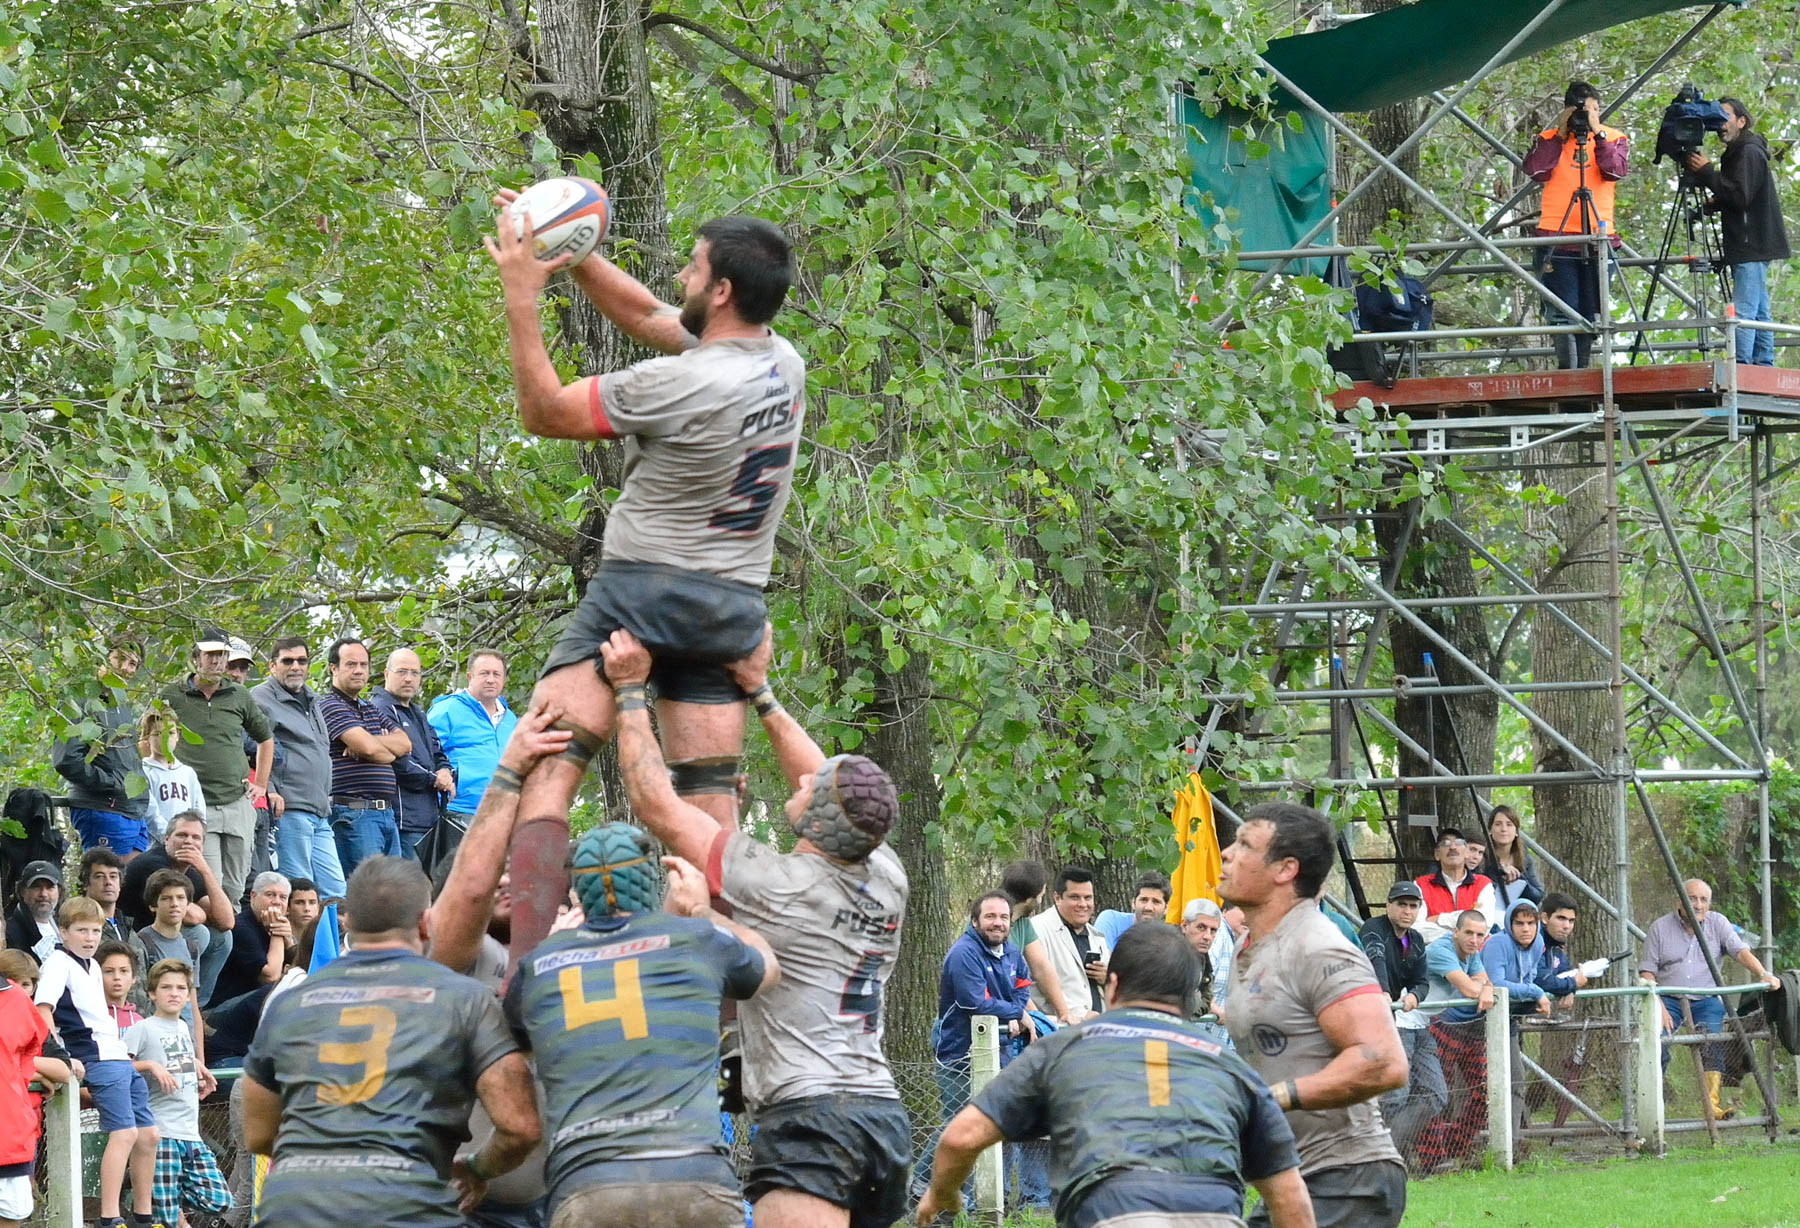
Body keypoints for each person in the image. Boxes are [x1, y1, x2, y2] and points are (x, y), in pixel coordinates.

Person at [485, 202, 806, 955]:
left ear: (721, 290)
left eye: (693, 267)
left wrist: (522, 293)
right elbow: (655, 314)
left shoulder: (678, 386)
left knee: (547, 761)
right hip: (730, 608)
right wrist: (576, 249)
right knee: (706, 808)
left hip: (642, 592)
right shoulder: (780, 359)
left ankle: (532, 974)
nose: (681, 276)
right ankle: (724, 1002)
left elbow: (546, 412)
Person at [600, 627, 911, 1228]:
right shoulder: (885, 872)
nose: (803, 779)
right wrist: (760, 693)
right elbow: (834, 786)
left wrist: (631, 691)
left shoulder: (777, 885)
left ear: (819, 822)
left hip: (812, 1122)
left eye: (811, 790)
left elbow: (654, 803)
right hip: (881, 1116)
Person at [916, 922, 1315, 1228]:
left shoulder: (1064, 1049)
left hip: (1109, 1210)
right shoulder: (1232, 1068)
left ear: (1113, 985)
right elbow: (1291, 1197)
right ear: (1192, 997)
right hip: (1213, 1215)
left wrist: (942, 1196)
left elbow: (961, 1137)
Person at [242, 857, 542, 1227]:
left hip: (294, 1206)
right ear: (425, 922)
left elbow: (257, 1133)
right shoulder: (461, 997)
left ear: (348, 922)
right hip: (405, 1203)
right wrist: (477, 1169)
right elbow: (520, 1127)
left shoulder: (289, 1002)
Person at [504, 824, 777, 1228]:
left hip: (587, 1184)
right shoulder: (698, 940)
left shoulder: (539, 967)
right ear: (652, 879)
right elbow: (767, 968)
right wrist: (700, 910)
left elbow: (519, 1048)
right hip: (695, 1175)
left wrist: (551, 945)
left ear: (578, 890)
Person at [1218, 801, 1408, 1228]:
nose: (1227, 853)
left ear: (1285, 870)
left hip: (1347, 1179)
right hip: (1291, 1177)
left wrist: (1273, 1098)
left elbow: (1384, 1062)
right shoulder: (1248, 947)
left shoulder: (1320, 947)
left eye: (1245, 844)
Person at [36, 897, 159, 1228]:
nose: (90, 938)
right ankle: (109, 1218)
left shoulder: (91, 965)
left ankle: (143, 1216)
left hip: (118, 1054)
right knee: (123, 1134)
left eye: (95, 931)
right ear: (63, 932)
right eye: (81, 931)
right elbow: (43, 1010)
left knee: (149, 1134)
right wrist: (61, 1055)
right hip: (96, 1058)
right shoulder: (58, 963)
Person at [914, 892, 1035, 1204]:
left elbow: (1023, 985)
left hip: (999, 1051)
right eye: (991, 917)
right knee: (959, 1123)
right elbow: (973, 1002)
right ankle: (920, 1188)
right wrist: (1015, 1014)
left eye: (1004, 917)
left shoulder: (1009, 951)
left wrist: (1015, 1011)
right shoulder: (964, 953)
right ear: (975, 921)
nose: (998, 923)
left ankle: (956, 1202)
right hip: (960, 1053)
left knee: (983, 1125)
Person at [1640, 878, 1780, 1120]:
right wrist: (1658, 1005)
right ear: (1679, 901)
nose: (1697, 904)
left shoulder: (1718, 923)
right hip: (1668, 999)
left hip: (1705, 999)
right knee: (1657, 1044)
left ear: (1709, 904)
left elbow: (1740, 951)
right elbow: (1647, 973)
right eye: (1692, 898)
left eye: (1703, 899)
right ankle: (1652, 1108)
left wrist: (1763, 973)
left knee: (1712, 1043)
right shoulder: (1660, 928)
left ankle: (1713, 1107)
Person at [162, 628, 276, 906]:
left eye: (222, 655)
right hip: (198, 806)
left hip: (238, 802)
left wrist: (261, 784)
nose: (217, 662)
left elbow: (266, 738)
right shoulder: (173, 694)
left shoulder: (239, 695)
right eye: (210, 655)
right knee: (209, 885)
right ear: (196, 658)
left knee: (237, 887)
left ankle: (232, 944)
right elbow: (147, 737)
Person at [1524, 80, 1629, 369]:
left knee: (1591, 312)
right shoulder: (1549, 138)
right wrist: (1559, 134)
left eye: (1594, 110)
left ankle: (1583, 372)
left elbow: (1615, 171)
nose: (1587, 116)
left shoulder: (1615, 137)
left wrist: (1599, 134)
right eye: (1582, 111)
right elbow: (1536, 171)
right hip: (1555, 239)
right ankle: (1568, 373)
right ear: (1567, 111)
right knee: (1561, 313)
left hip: (1598, 239)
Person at [125, 960, 230, 1228]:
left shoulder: (183, 1028)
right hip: (162, 1131)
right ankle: (150, 1191)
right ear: (152, 993)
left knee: (219, 1199)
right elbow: (118, 1067)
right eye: (166, 987)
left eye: (181, 988)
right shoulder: (143, 1028)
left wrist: (197, 1066)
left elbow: (172, 1059)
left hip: (189, 1133)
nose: (174, 993)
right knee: (167, 1218)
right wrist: (149, 1065)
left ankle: (158, 1189)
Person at [1686, 97, 1790, 366]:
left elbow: (1741, 196)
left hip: (1750, 242)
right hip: (1753, 241)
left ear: (1741, 121)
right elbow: (1743, 192)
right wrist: (1718, 200)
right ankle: (1763, 366)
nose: (1720, 123)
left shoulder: (1747, 152)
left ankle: (1741, 367)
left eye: (1726, 116)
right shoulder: (1742, 151)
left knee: (1743, 311)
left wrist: (1708, 173)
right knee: (1759, 312)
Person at [253, 635, 349, 899]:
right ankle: (297, 942)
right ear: (272, 666)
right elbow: (251, 749)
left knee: (336, 892)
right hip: (290, 809)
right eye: (288, 661)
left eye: (302, 661)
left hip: (319, 811)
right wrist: (269, 788)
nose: (295, 666)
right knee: (299, 891)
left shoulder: (314, 700)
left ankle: (331, 942)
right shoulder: (260, 699)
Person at [1358, 881, 1444, 1156]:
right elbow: (1376, 958)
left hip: (1401, 1018)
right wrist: (1383, 991)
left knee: (1436, 1095)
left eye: (1413, 905)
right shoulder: (1374, 928)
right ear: (1388, 905)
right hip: (1371, 1018)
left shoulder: (1414, 939)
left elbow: (1421, 980)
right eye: (1402, 904)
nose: (1407, 911)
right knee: (1394, 1094)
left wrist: (1415, 996)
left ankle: (1386, 1152)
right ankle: (1382, 1156)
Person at [120, 812, 236, 1004]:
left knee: (222, 938)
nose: (188, 842)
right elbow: (191, 917)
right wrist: (200, 912)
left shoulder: (192, 871)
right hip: (136, 940)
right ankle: (174, 1003)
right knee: (200, 933)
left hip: (164, 938)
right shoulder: (153, 863)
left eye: (195, 837)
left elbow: (227, 921)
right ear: (167, 839)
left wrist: (205, 869)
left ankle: (197, 1007)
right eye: (182, 835)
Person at [318, 637, 411, 875]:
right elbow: (371, 749)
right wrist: (379, 748)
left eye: (363, 664)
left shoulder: (370, 708)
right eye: (351, 664)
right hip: (355, 814)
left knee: (393, 894)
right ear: (333, 668)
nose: (359, 670)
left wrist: (372, 742)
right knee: (370, 893)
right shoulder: (329, 705)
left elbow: (405, 744)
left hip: (386, 814)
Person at [55, 642, 152, 856]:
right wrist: (112, 783)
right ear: (104, 657)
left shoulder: (120, 702)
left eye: (133, 664)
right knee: (105, 881)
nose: (127, 668)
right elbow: (67, 759)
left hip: (132, 810)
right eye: (121, 659)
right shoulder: (80, 699)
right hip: (103, 808)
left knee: (134, 884)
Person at [1418, 910, 1494, 1171]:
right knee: (1437, 1094)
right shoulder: (1442, 950)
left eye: (1480, 935)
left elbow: (1484, 982)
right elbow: (1471, 989)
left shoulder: (1471, 954)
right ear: (1456, 933)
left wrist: (1486, 988)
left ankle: (1453, 1147)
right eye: (1469, 933)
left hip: (1462, 1028)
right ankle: (1431, 1159)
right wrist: (1485, 989)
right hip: (1430, 1026)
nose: (1474, 940)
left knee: (1486, 1092)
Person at [371, 648, 456, 855]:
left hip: (430, 818)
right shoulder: (378, 710)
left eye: (415, 673)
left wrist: (445, 771)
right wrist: (434, 779)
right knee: (412, 886)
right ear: (386, 674)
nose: (409, 678)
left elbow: (437, 752)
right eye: (402, 672)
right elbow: (399, 762)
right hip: (403, 819)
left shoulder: (418, 712)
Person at [428, 651, 516, 832]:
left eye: (496, 674)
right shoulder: (447, 710)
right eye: (484, 673)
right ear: (469, 676)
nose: (491, 679)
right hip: (458, 813)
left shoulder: (510, 719)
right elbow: (426, 755)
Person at [0, 952, 48, 1228]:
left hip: (8, 1137)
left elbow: (33, 1049)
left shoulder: (17, 1000)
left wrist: (23, 1077)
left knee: (10, 1218)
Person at [1030, 867, 1110, 1025]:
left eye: (1088, 898)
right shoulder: (1037, 930)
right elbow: (1034, 982)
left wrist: (1106, 978)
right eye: (1075, 897)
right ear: (1057, 898)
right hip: (1061, 1030)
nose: (1083, 904)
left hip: (1100, 1030)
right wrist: (1077, 1015)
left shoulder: (1097, 937)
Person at [998, 860, 1070, 1023]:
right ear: (1029, 899)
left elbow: (1041, 967)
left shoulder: (1023, 923)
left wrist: (1065, 1014)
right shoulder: (993, 925)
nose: (1042, 898)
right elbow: (1006, 979)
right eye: (1041, 895)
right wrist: (1039, 1020)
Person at [210, 871, 292, 1009]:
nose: (277, 901)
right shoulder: (241, 927)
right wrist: (277, 933)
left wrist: (289, 939)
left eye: (283, 897)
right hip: (222, 1008)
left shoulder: (284, 926)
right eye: (270, 894)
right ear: (253, 896)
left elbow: (301, 966)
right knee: (277, 993)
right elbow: (270, 977)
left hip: (250, 1003)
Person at [1413, 829, 1497, 944]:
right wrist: (1463, 934)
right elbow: (1416, 931)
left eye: (1458, 843)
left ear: (1466, 852)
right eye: (1445, 843)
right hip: (1437, 955)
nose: (1452, 847)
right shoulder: (1421, 885)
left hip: (1475, 955)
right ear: (1437, 855)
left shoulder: (1483, 884)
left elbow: (1484, 926)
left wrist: (1439, 919)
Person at [138, 709, 203, 842]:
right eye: (158, 734)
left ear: (177, 735)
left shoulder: (187, 773)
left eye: (171, 733)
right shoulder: (143, 771)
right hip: (155, 844)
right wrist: (170, 838)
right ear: (147, 738)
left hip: (186, 842)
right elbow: (150, 813)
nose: (165, 738)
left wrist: (195, 837)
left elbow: (199, 811)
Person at [1479, 807, 1543, 907]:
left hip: (1516, 914)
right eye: (1498, 824)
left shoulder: (1523, 855)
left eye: (1509, 825)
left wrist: (1518, 878)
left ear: (1516, 831)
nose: (1504, 829)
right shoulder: (1481, 854)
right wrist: (1500, 872)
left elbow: (1538, 895)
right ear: (1490, 830)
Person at [3, 862, 61, 965]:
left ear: (59, 892)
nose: (43, 894)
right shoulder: (9, 933)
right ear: (22, 891)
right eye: (36, 887)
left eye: (50, 887)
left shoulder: (65, 928)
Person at [1092, 871, 1170, 947]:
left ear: (1166, 908)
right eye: (1144, 900)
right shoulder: (1111, 921)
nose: (1148, 907)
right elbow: (1102, 958)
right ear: (1133, 903)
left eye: (1156, 902)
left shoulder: (1169, 941)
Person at [99, 941, 144, 1036]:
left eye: (123, 971)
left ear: (133, 977)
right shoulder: (88, 1017)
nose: (117, 977)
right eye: (109, 971)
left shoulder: (140, 1023)